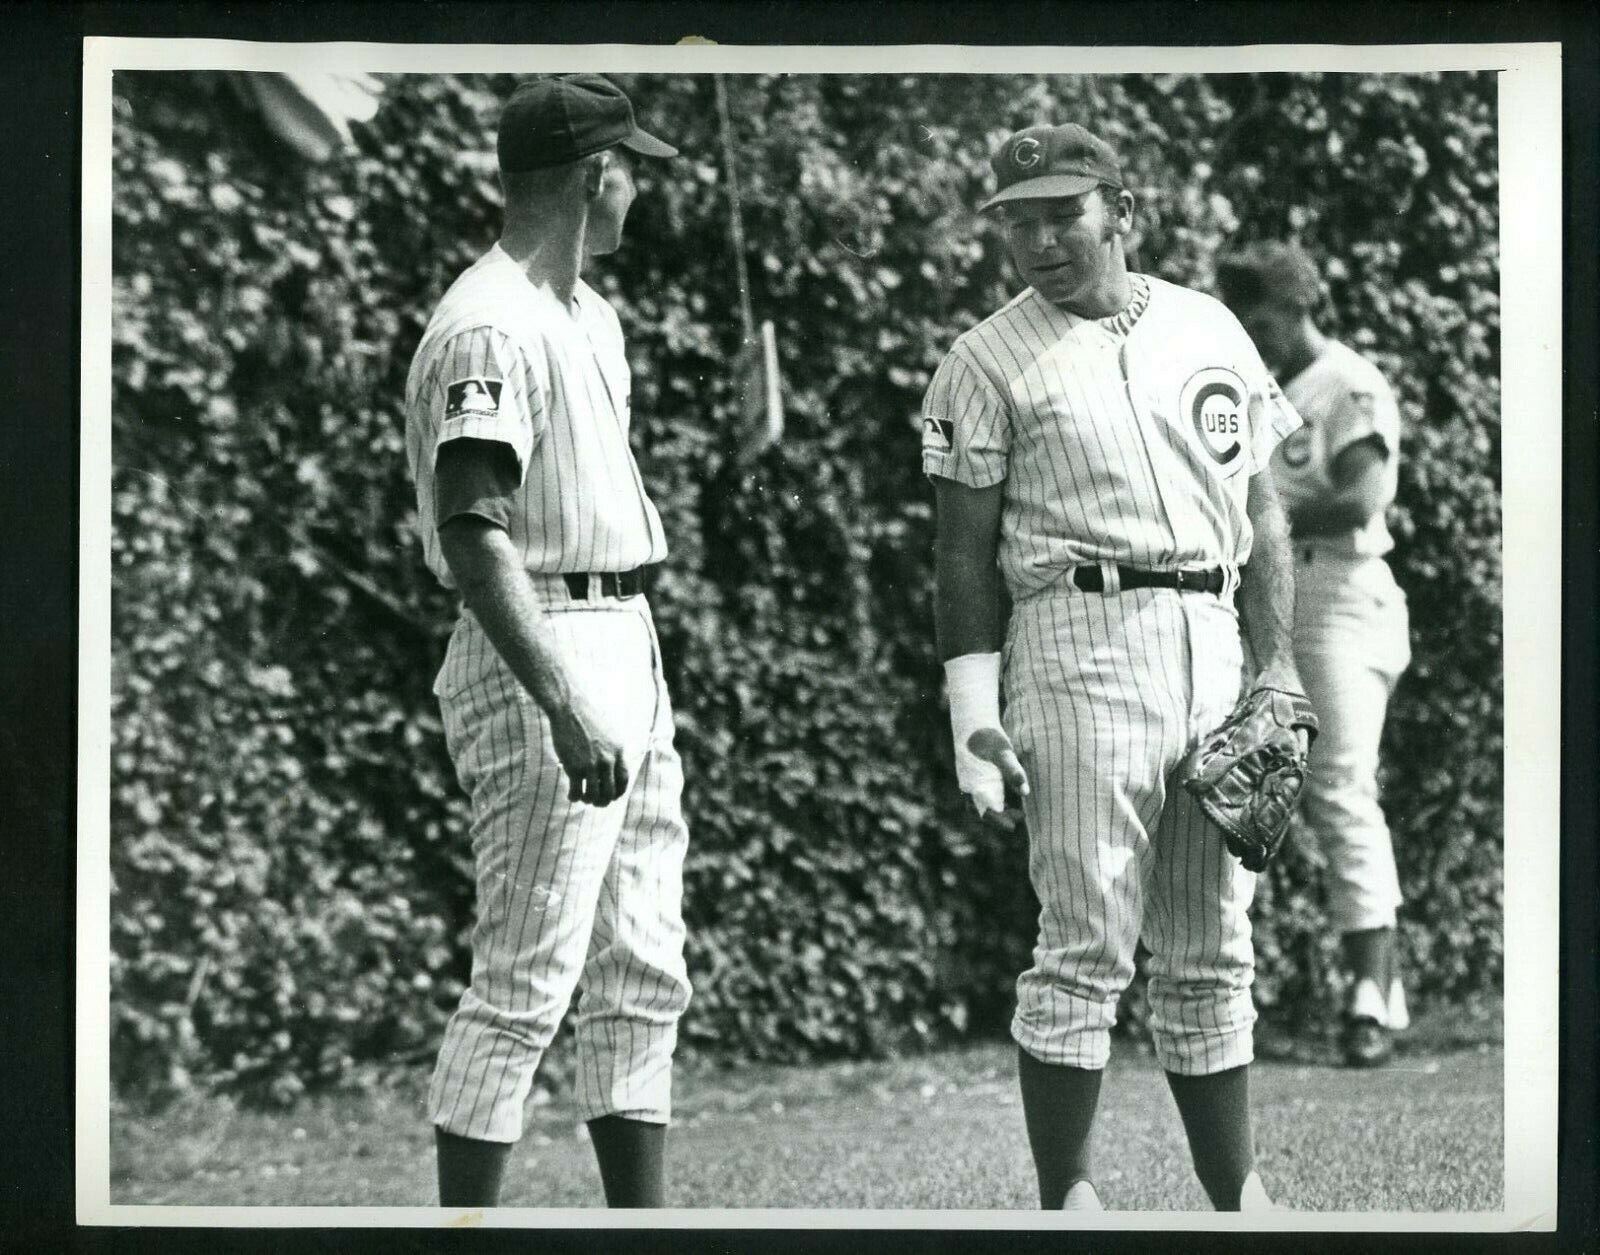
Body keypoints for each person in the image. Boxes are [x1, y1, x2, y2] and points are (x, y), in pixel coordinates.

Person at [921, 123, 1308, 1211]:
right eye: (1018, 222)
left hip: (1212, 636)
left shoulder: (1207, 325)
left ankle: (1240, 1199)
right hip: (1076, 632)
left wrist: (1275, 667)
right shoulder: (983, 358)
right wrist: (971, 713)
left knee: (1209, 941)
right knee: (1085, 937)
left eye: (1064, 215)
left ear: (1121, 210)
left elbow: (1261, 512)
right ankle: (1071, 1201)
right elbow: (959, 556)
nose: (1040, 241)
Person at [403, 74, 691, 1208]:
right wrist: (563, 700)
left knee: (641, 962)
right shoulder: (488, 319)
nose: (639, 193)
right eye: (634, 172)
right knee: (524, 978)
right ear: (594, 176)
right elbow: (473, 529)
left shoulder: (588, 314)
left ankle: (644, 1223)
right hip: (542, 642)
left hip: (621, 622)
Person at [1215, 241, 1412, 1068]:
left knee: (1337, 788)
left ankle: (1369, 994)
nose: (1255, 336)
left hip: (1338, 592)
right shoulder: (1252, 391)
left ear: (1298, 305)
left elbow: (1365, 494)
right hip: (1266, 593)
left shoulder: (1346, 382)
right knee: (1244, 784)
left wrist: (1268, 518)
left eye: (1263, 319)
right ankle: (1231, 990)